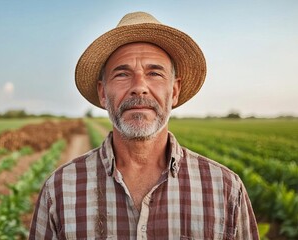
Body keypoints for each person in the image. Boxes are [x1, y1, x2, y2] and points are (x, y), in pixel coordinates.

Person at [29, 11, 259, 239]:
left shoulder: (225, 189)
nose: (139, 87)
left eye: (154, 73)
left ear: (175, 91)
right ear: (102, 93)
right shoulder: (59, 191)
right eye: (122, 74)